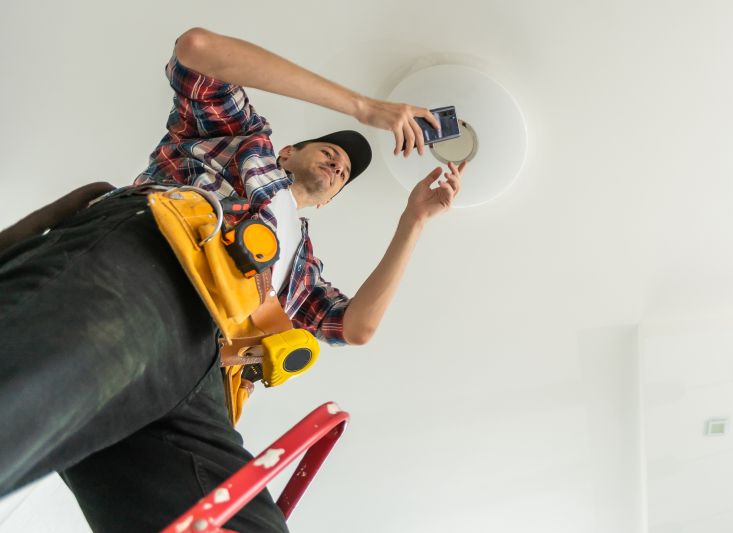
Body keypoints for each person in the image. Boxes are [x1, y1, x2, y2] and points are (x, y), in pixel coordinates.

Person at [0, 27, 465, 532]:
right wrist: (364, 108)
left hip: (206, 377)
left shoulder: (300, 269)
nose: (338, 163)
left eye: (345, 171)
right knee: (22, 401)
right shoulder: (242, 142)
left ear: (331, 201)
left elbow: (357, 327)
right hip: (155, 267)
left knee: (249, 524)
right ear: (287, 152)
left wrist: (414, 220)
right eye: (330, 151)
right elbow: (197, 50)